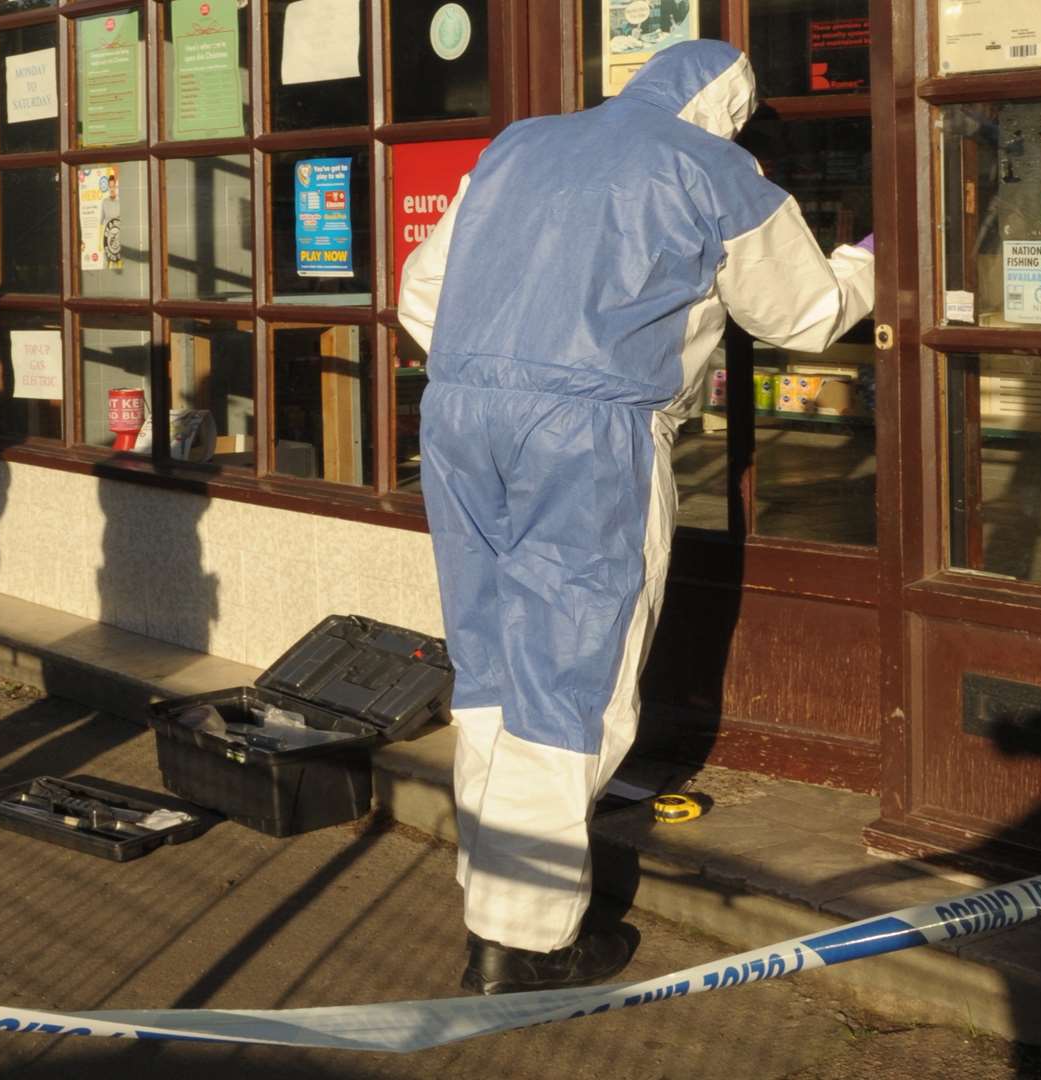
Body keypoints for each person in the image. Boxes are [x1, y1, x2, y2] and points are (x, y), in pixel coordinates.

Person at [395, 40, 876, 996]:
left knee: (491, 665)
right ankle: (524, 946)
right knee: (572, 677)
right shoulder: (714, 169)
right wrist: (866, 260)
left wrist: (500, 369)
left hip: (458, 415)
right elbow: (805, 315)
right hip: (590, 432)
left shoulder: (520, 144)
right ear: (728, 110)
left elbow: (421, 294)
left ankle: (492, 900)